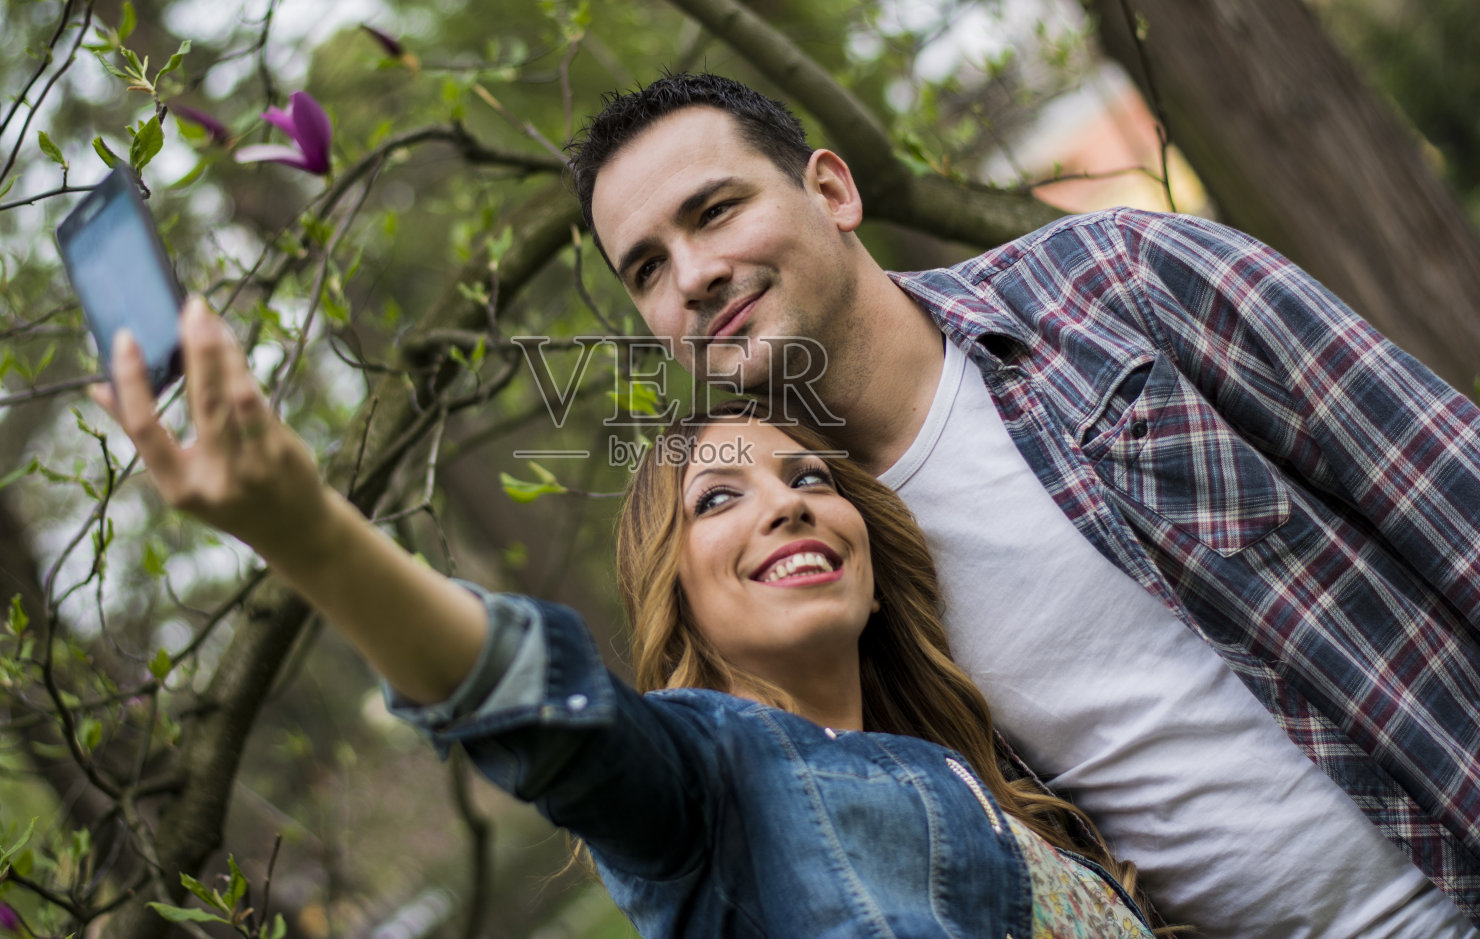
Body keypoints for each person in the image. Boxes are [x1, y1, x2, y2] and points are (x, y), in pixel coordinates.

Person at [565, 72, 1480, 936]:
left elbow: (1452, 499)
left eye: (716, 210)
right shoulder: (811, 573)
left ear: (834, 192)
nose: (692, 276)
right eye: (646, 267)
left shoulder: (1118, 281)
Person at [95, 303, 1160, 938]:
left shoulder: (998, 781)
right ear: (681, 600)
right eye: (717, 498)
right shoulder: (719, 783)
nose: (785, 499)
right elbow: (546, 710)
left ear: (872, 564)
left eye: (804, 476)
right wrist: (313, 536)